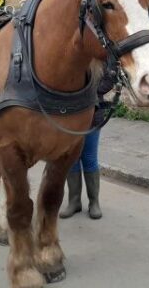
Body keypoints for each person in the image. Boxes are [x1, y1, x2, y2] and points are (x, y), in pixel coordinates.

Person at [59, 79, 112, 220]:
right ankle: (74, 202)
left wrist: (83, 88)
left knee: (89, 158)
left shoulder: (102, 59)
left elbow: (108, 81)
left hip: (92, 116)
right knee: (72, 159)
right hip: (71, 116)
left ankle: (94, 203)